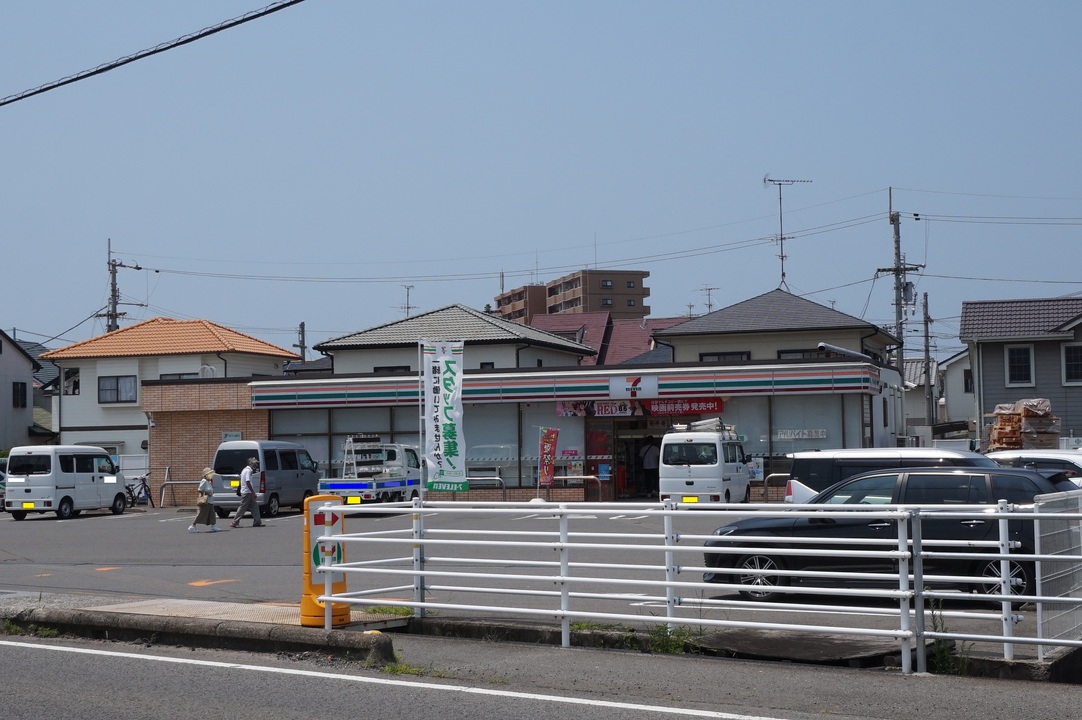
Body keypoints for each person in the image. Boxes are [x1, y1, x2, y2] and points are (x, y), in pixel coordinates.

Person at [230, 457, 264, 528]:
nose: (256, 466)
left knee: (254, 506)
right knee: (243, 507)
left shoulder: (245, 470)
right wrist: (253, 492)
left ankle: (257, 521)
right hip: (247, 492)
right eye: (255, 464)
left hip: (247, 492)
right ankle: (235, 522)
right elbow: (247, 482)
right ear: (252, 464)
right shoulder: (248, 471)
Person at [189, 467, 221, 533]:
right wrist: (207, 493)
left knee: (212, 514)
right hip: (206, 501)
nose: (211, 475)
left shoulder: (208, 481)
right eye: (210, 474)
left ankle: (213, 526)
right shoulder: (204, 481)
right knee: (201, 514)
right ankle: (192, 526)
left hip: (210, 501)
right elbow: (199, 489)